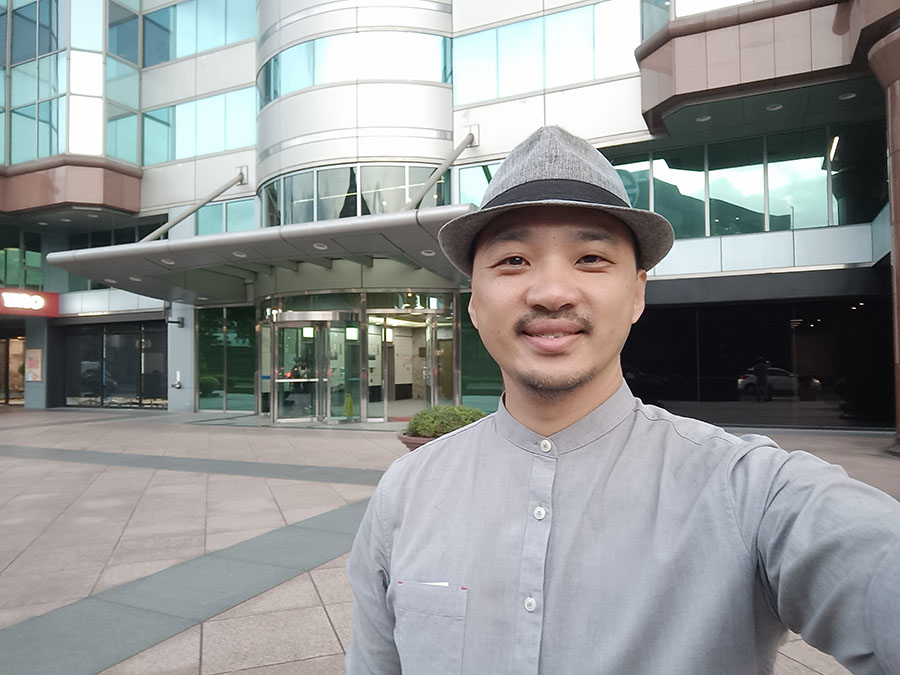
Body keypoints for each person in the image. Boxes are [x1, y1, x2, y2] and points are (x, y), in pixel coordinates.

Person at [345, 126, 900, 674]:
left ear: (637, 293)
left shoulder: (752, 492)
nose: (552, 293)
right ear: (473, 302)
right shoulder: (405, 493)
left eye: (591, 258)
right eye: (513, 260)